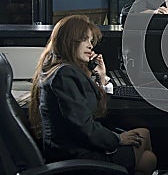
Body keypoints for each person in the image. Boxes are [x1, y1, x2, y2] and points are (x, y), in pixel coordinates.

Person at [28, 15, 157, 175]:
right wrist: (118, 139)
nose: (91, 46)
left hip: (75, 146)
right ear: (70, 40)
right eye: (85, 40)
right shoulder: (64, 75)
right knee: (148, 158)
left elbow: (89, 109)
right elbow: (83, 126)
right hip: (74, 154)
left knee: (144, 135)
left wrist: (100, 77)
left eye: (91, 41)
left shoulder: (62, 69)